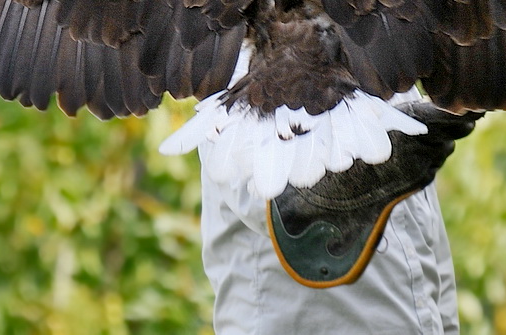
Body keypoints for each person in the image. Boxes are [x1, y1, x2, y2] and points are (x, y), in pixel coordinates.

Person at [198, 91, 479, 334]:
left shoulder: (393, 71)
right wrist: (374, 170)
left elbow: (426, 249)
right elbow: (274, 203)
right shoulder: (246, 55)